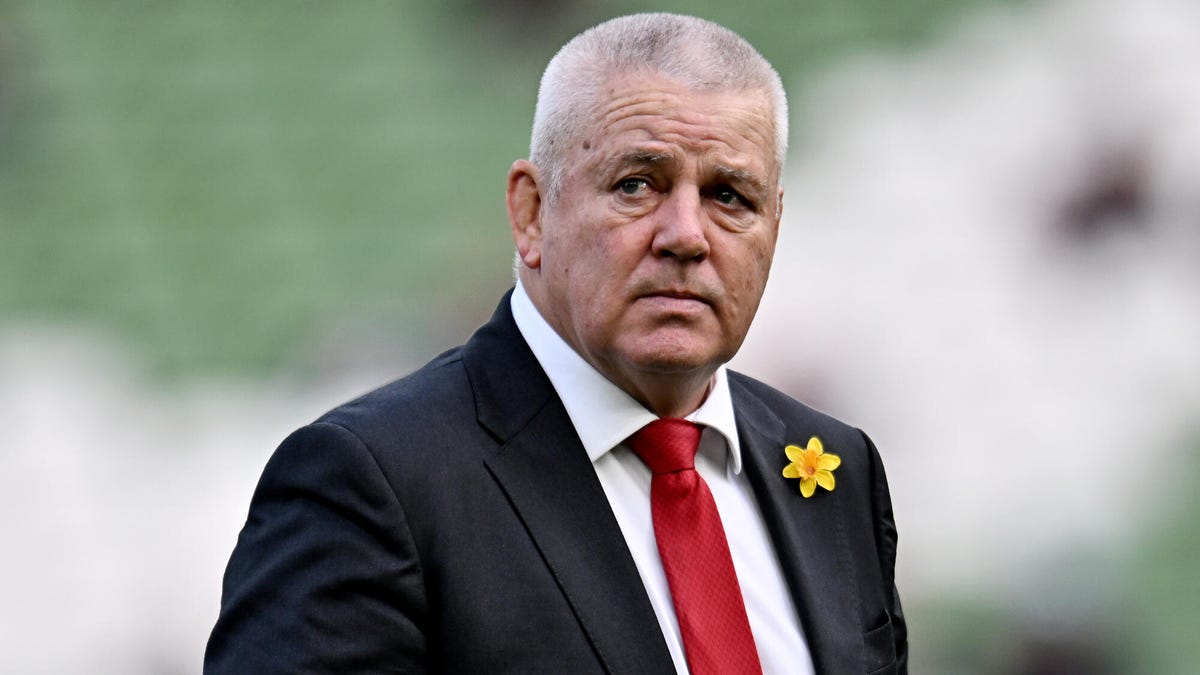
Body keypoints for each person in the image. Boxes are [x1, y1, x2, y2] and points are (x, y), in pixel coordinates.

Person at [206, 13, 906, 675]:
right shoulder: (372, 483)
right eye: (637, 184)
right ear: (531, 212)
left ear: (774, 225)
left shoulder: (837, 470)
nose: (688, 235)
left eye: (730, 196)